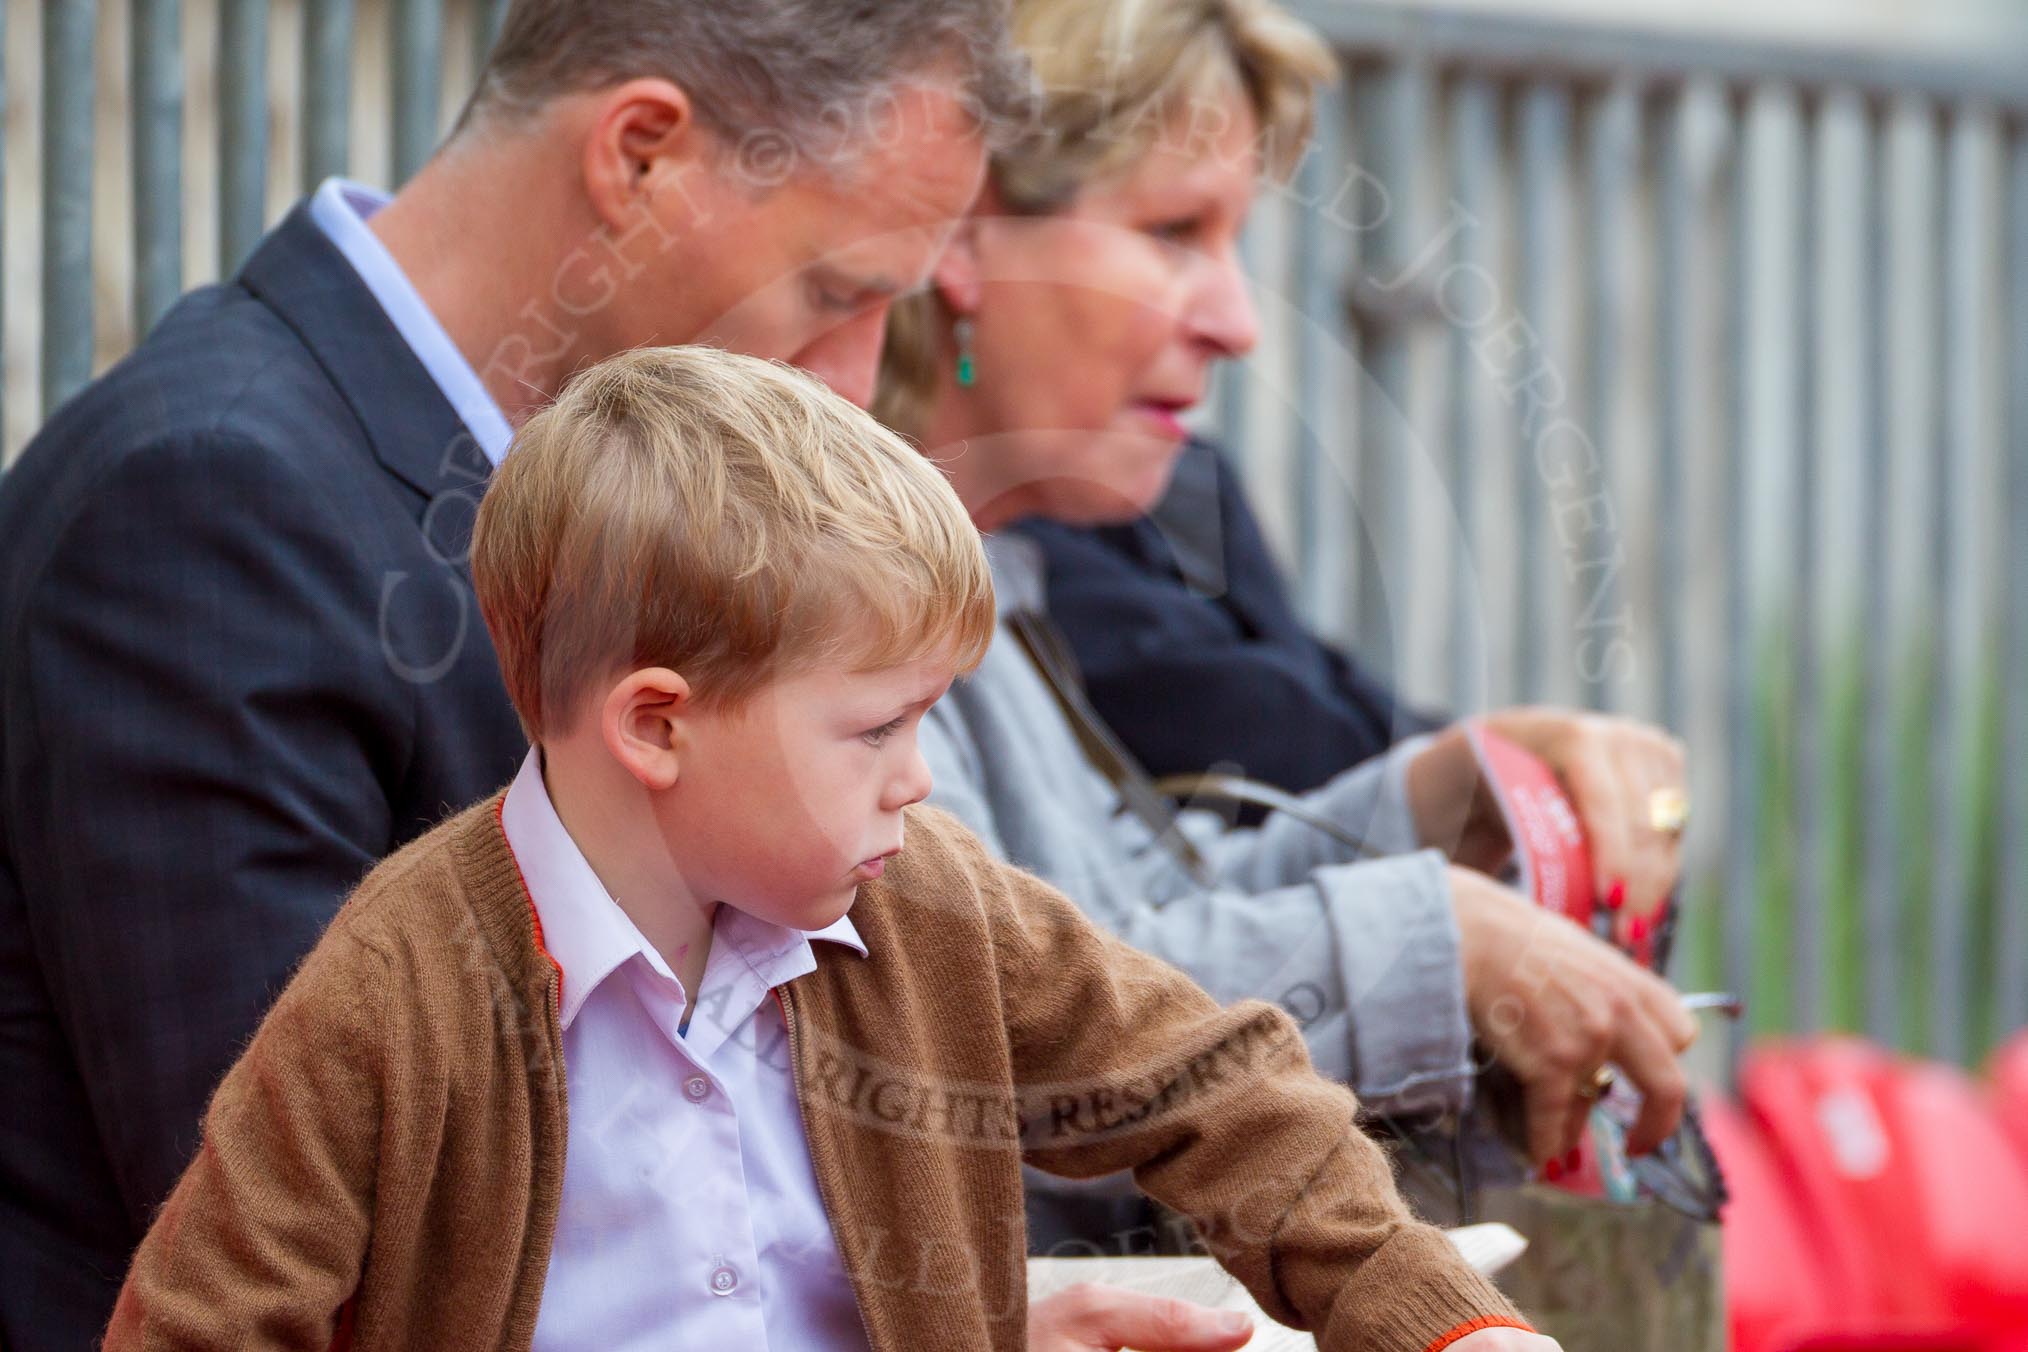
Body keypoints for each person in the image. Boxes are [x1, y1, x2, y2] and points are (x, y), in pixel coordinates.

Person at [105, 346, 1553, 1352]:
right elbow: (209, 1318)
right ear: (658, 726)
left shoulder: (926, 905)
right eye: (876, 730)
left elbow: (1215, 1086)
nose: (919, 783)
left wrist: (1434, 1314)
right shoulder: (401, 987)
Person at [0, 4, 1039, 1347]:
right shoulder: (209, 501)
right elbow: (336, 1233)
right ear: (641, 156)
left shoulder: (356, 482)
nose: (850, 384)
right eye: (837, 295)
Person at [873, 0, 1698, 1246]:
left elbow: (1125, 921)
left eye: (1233, 239)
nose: (1238, 319)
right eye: (1172, 231)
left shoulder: (990, 572)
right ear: (967, 227)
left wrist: (1438, 795)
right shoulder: (835, 591)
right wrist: (1443, 937)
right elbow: (989, 1036)